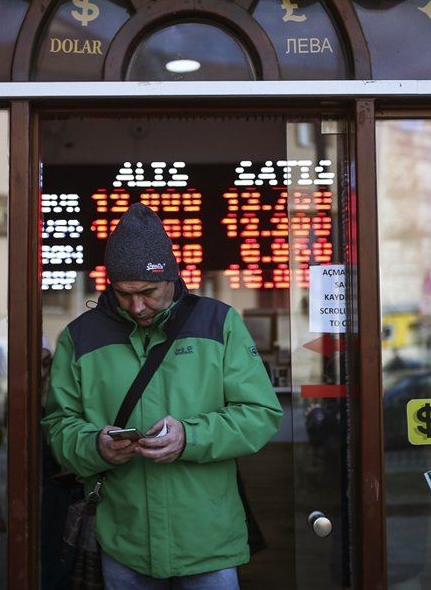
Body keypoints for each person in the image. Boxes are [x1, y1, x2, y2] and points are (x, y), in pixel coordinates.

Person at [43, 203, 283, 588]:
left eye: (148, 292)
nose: (137, 306)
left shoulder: (219, 322)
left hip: (208, 539)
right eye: (123, 294)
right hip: (124, 539)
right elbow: (57, 425)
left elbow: (260, 413)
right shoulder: (80, 337)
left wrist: (190, 437)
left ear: (172, 278)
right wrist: (95, 446)